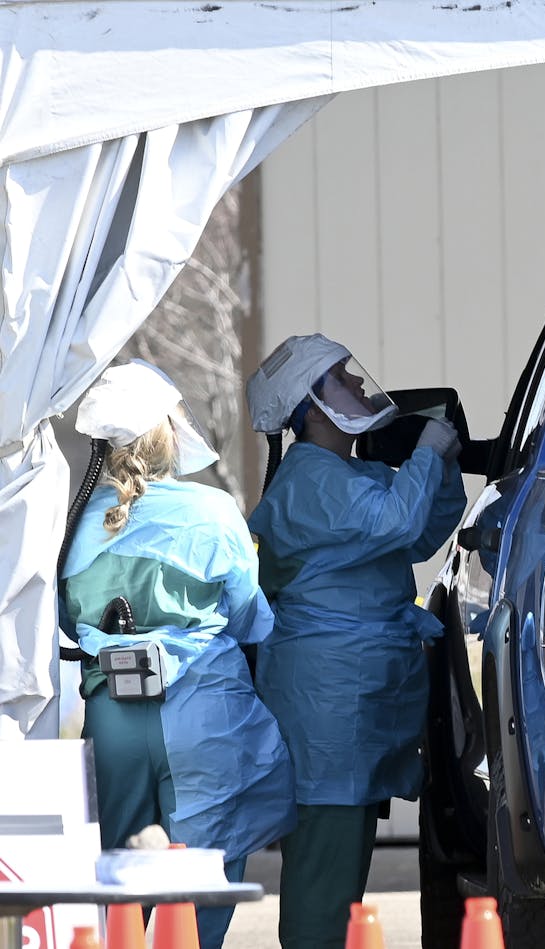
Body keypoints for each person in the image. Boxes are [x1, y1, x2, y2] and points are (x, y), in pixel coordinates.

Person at [59, 360, 295, 949]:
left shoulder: (71, 527)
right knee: (200, 874)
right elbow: (249, 618)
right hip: (200, 711)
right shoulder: (210, 512)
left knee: (120, 876)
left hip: (111, 715)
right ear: (167, 430)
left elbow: (67, 619)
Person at [244, 333, 467, 949]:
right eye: (344, 377)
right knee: (326, 873)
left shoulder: (348, 472)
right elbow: (396, 519)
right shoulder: (310, 478)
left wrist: (439, 465)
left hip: (353, 702)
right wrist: (424, 454)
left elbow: (417, 533)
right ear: (313, 408)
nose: (362, 385)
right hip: (330, 706)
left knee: (343, 872)